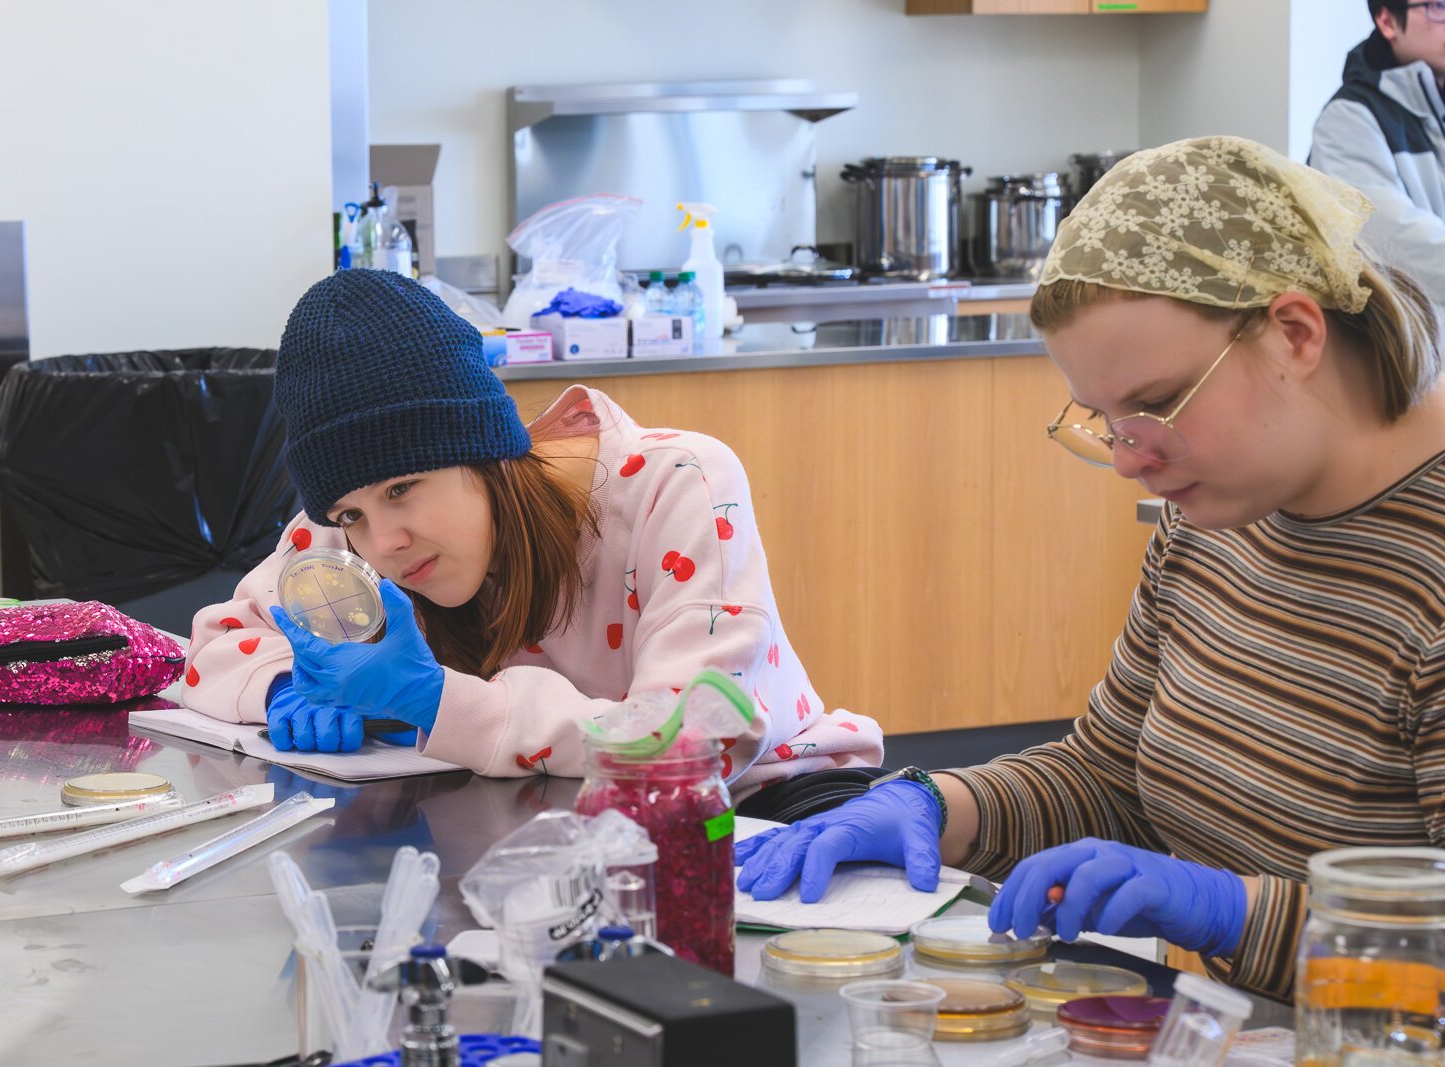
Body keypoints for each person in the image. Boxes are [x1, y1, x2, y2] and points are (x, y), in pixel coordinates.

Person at [735, 136, 1445, 1002]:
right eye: (1106, 419)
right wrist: (938, 804)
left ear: (1295, 332)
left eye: (1155, 405)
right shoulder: (1214, 521)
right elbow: (1111, 775)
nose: (1129, 459)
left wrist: (1235, 912)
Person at [181, 269, 883, 810]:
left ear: (484, 451)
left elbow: (692, 740)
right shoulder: (349, 532)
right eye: (351, 513)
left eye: (402, 490)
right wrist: (280, 685)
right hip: (554, 817)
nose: (384, 543)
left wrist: (436, 701)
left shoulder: (676, 484)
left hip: (771, 808)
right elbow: (211, 645)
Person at [1308, 1, 1445, 303]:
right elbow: (1389, 241)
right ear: (1387, 21)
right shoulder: (1348, 119)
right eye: (1439, 6)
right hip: (1405, 342)